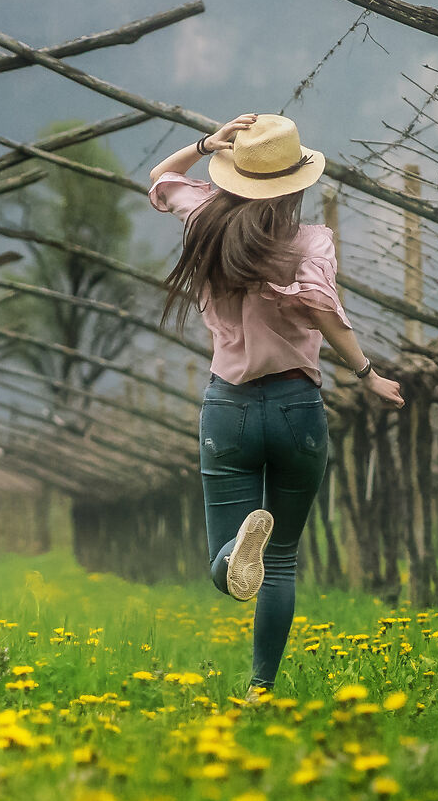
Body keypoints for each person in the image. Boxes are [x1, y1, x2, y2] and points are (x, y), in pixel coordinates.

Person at [149, 113, 404, 700]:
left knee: (226, 561)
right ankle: (260, 688)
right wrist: (367, 374)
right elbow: (322, 309)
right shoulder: (310, 241)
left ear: (235, 175)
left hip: (228, 409)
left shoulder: (202, 226)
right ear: (296, 184)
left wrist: (203, 145)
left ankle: (233, 558)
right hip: (296, 409)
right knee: (282, 562)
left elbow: (161, 183)